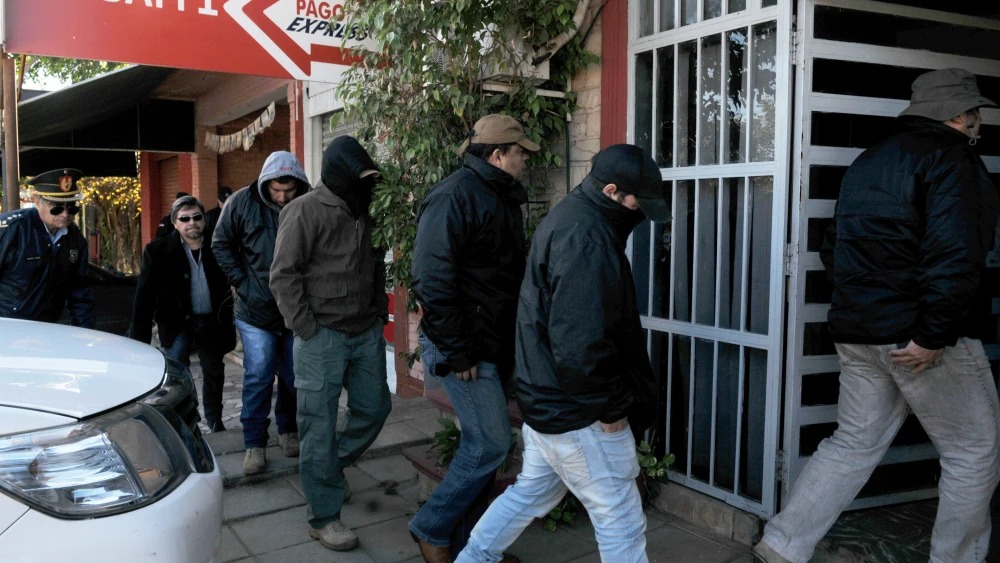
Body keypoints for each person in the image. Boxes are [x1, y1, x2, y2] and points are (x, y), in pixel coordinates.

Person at [752, 68, 1000, 563]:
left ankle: (781, 545)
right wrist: (934, 333)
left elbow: (833, 248)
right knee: (972, 454)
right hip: (922, 341)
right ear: (957, 115)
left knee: (852, 444)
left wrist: (864, 312)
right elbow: (956, 255)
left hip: (861, 333)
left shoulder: (868, 160)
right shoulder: (955, 162)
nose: (979, 124)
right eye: (975, 115)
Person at [455, 144, 668, 563]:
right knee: (621, 520)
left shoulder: (571, 217)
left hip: (548, 406)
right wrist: (612, 412)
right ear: (611, 191)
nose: (640, 214)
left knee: (528, 495)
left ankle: (473, 559)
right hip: (580, 416)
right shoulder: (587, 239)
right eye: (636, 203)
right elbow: (581, 345)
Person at [409, 114, 539, 563]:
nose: (526, 159)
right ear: (497, 155)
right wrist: (458, 348)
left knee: (484, 446)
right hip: (464, 345)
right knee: (490, 443)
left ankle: (473, 545)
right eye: (520, 152)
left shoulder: (499, 196)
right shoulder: (453, 197)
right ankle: (432, 527)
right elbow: (431, 279)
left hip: (493, 341)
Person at [270, 136, 393, 552]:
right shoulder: (303, 211)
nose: (366, 184)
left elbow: (375, 264)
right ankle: (324, 516)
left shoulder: (366, 208)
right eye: (359, 177)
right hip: (321, 336)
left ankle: (326, 470)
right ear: (338, 172)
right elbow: (284, 275)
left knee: (376, 407)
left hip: (364, 332)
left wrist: (379, 314)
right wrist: (306, 329)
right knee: (317, 426)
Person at [212, 151, 310, 475]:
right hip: (255, 310)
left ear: (299, 184)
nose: (282, 197)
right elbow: (220, 243)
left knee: (294, 377)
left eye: (289, 190)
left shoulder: (309, 204)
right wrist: (242, 282)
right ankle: (254, 443)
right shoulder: (241, 202)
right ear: (266, 183)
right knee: (260, 375)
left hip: (296, 308)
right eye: (276, 190)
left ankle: (288, 430)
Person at [130, 195, 236, 432]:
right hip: (176, 322)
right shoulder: (157, 251)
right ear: (175, 222)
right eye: (185, 219)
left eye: (197, 217)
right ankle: (187, 420)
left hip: (211, 321)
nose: (192, 223)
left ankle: (215, 419)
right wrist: (139, 338)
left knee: (214, 371)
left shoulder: (218, 245)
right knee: (177, 373)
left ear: (204, 220)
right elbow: (144, 296)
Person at [0, 168, 94, 328]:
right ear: (37, 201)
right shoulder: (12, 230)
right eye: (56, 208)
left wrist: (84, 333)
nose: (65, 214)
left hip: (49, 330)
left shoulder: (74, 238)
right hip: (8, 330)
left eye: (72, 208)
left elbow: (81, 293)